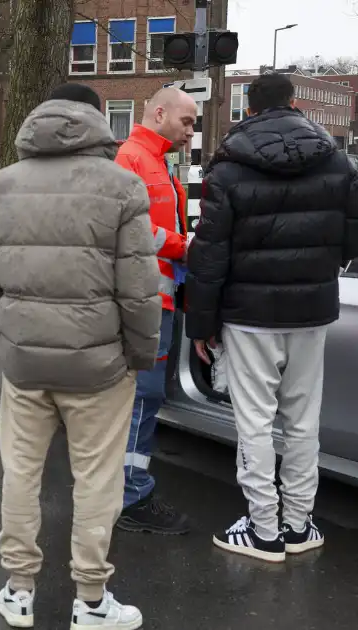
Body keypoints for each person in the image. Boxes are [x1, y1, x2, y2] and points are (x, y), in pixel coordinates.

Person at [0, 83, 159, 629]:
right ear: (98, 120)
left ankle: (19, 588)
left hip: (24, 363)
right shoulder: (123, 188)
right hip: (100, 367)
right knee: (98, 479)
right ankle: (92, 600)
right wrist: (138, 355)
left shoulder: (0, 187)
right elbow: (139, 289)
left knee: (20, 473)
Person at [186, 72, 358, 562]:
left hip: (249, 314)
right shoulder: (337, 161)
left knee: (255, 423)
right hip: (313, 310)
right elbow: (351, 239)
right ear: (294, 103)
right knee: (304, 422)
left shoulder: (227, 167)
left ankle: (263, 529)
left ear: (250, 109)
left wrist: (202, 325)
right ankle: (300, 525)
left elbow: (209, 254)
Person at [112, 86, 198, 535]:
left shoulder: (155, 159)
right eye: (186, 121)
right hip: (144, 302)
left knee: (142, 399)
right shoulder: (134, 159)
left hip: (156, 299)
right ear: (159, 113)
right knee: (142, 400)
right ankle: (131, 496)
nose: (191, 131)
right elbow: (134, 228)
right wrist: (188, 247)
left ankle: (125, 490)